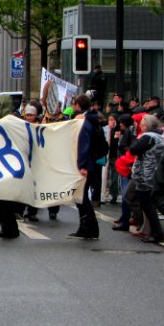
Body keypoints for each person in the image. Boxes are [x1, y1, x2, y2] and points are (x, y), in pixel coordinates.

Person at [124, 113, 164, 244]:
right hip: (155, 174)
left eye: (141, 124)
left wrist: (138, 138)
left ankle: (156, 233)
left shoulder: (148, 136)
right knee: (149, 204)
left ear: (145, 125)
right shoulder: (160, 137)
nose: (139, 126)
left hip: (145, 176)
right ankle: (153, 231)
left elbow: (133, 149)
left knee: (147, 205)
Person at [68, 93, 101, 240]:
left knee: (81, 196)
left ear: (77, 106)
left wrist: (82, 165)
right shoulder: (91, 118)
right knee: (81, 196)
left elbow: (83, 143)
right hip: (91, 162)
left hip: (85, 163)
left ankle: (89, 228)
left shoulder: (83, 121)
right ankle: (87, 227)